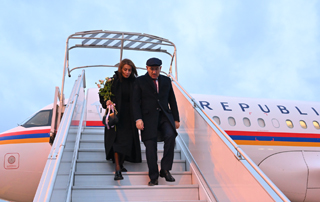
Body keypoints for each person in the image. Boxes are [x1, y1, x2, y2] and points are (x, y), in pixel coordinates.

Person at [133, 57, 180, 186]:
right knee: (150, 147)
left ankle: (165, 169)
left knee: (171, 136)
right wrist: (138, 119)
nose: (154, 72)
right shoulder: (140, 81)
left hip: (165, 116)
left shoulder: (166, 81)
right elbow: (135, 102)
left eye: (157, 69)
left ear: (160, 68)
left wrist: (176, 118)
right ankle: (153, 176)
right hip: (147, 119)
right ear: (147, 68)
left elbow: (172, 100)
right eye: (152, 69)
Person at [99, 58, 142, 181]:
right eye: (125, 70)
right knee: (116, 141)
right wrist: (106, 101)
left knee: (127, 141)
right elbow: (102, 94)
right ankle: (118, 169)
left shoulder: (135, 82)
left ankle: (121, 164)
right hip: (116, 116)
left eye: (129, 70)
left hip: (130, 116)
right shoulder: (113, 81)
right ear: (121, 69)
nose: (127, 72)